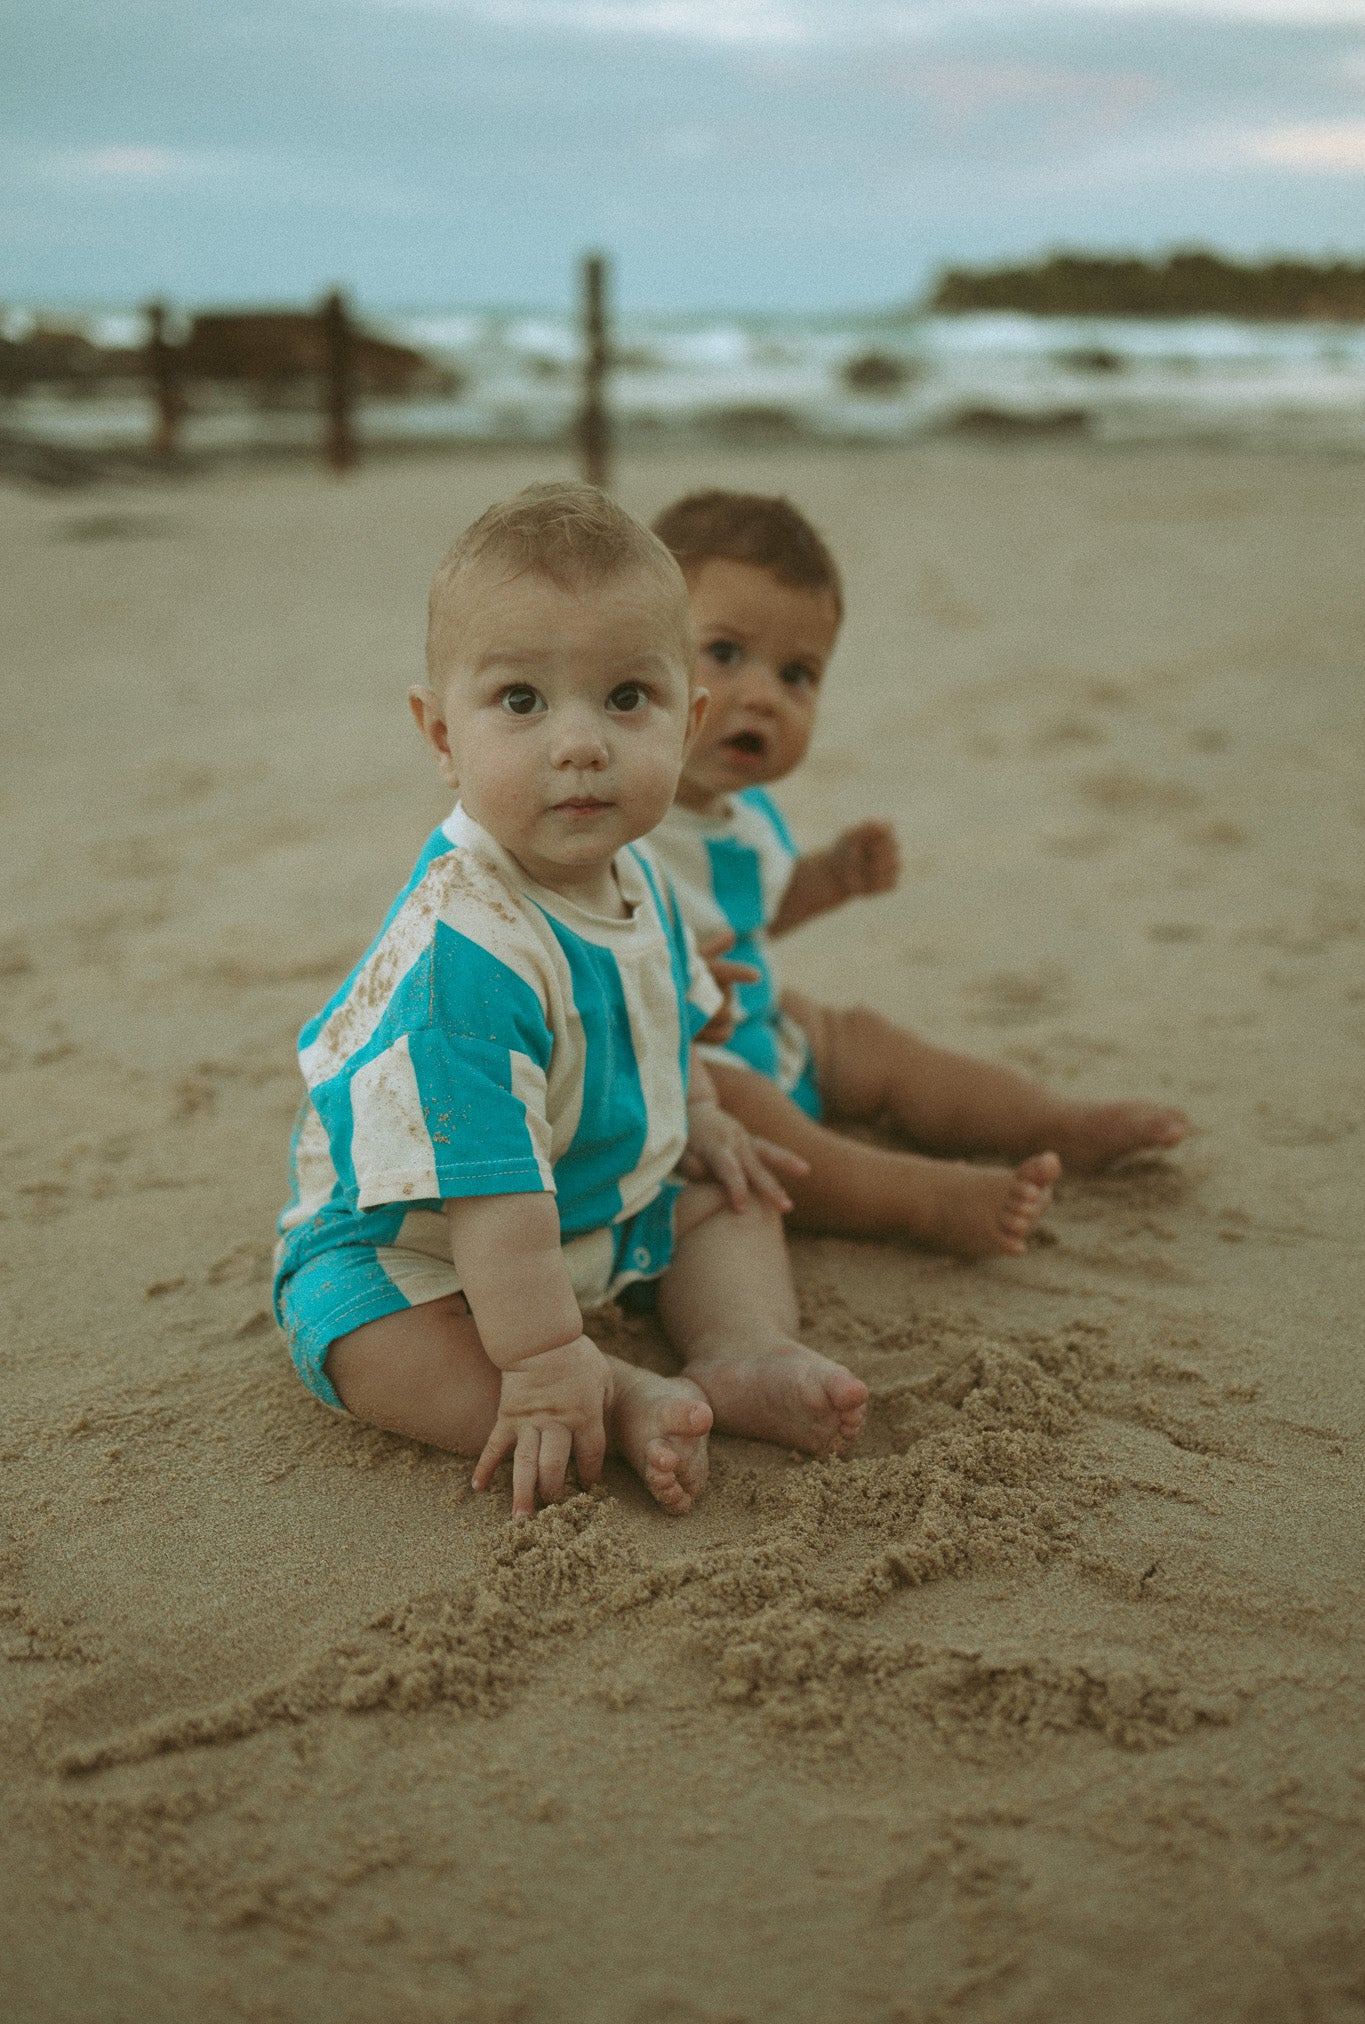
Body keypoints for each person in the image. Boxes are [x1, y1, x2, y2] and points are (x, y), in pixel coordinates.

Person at [273, 483, 867, 1519]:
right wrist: (551, 1358)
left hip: (595, 1204)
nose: (581, 742)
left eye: (626, 698)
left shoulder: (642, 878)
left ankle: (743, 1347)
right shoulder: (466, 946)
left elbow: (670, 1022)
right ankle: (614, 1390)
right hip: (429, 1247)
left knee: (725, 1187)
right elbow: (490, 1194)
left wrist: (708, 1115)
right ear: (440, 732)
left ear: (687, 724)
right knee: (362, 1334)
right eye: (521, 701)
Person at [647, 491, 1189, 1259]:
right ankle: (918, 1201)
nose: (763, 695)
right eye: (725, 653)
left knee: (865, 1041)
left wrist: (829, 878)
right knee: (756, 1117)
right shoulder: (616, 821)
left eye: (797, 673)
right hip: (684, 1073)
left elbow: (754, 913)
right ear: (635, 649)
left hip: (764, 1026)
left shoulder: (747, 813)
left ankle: (1052, 1122)